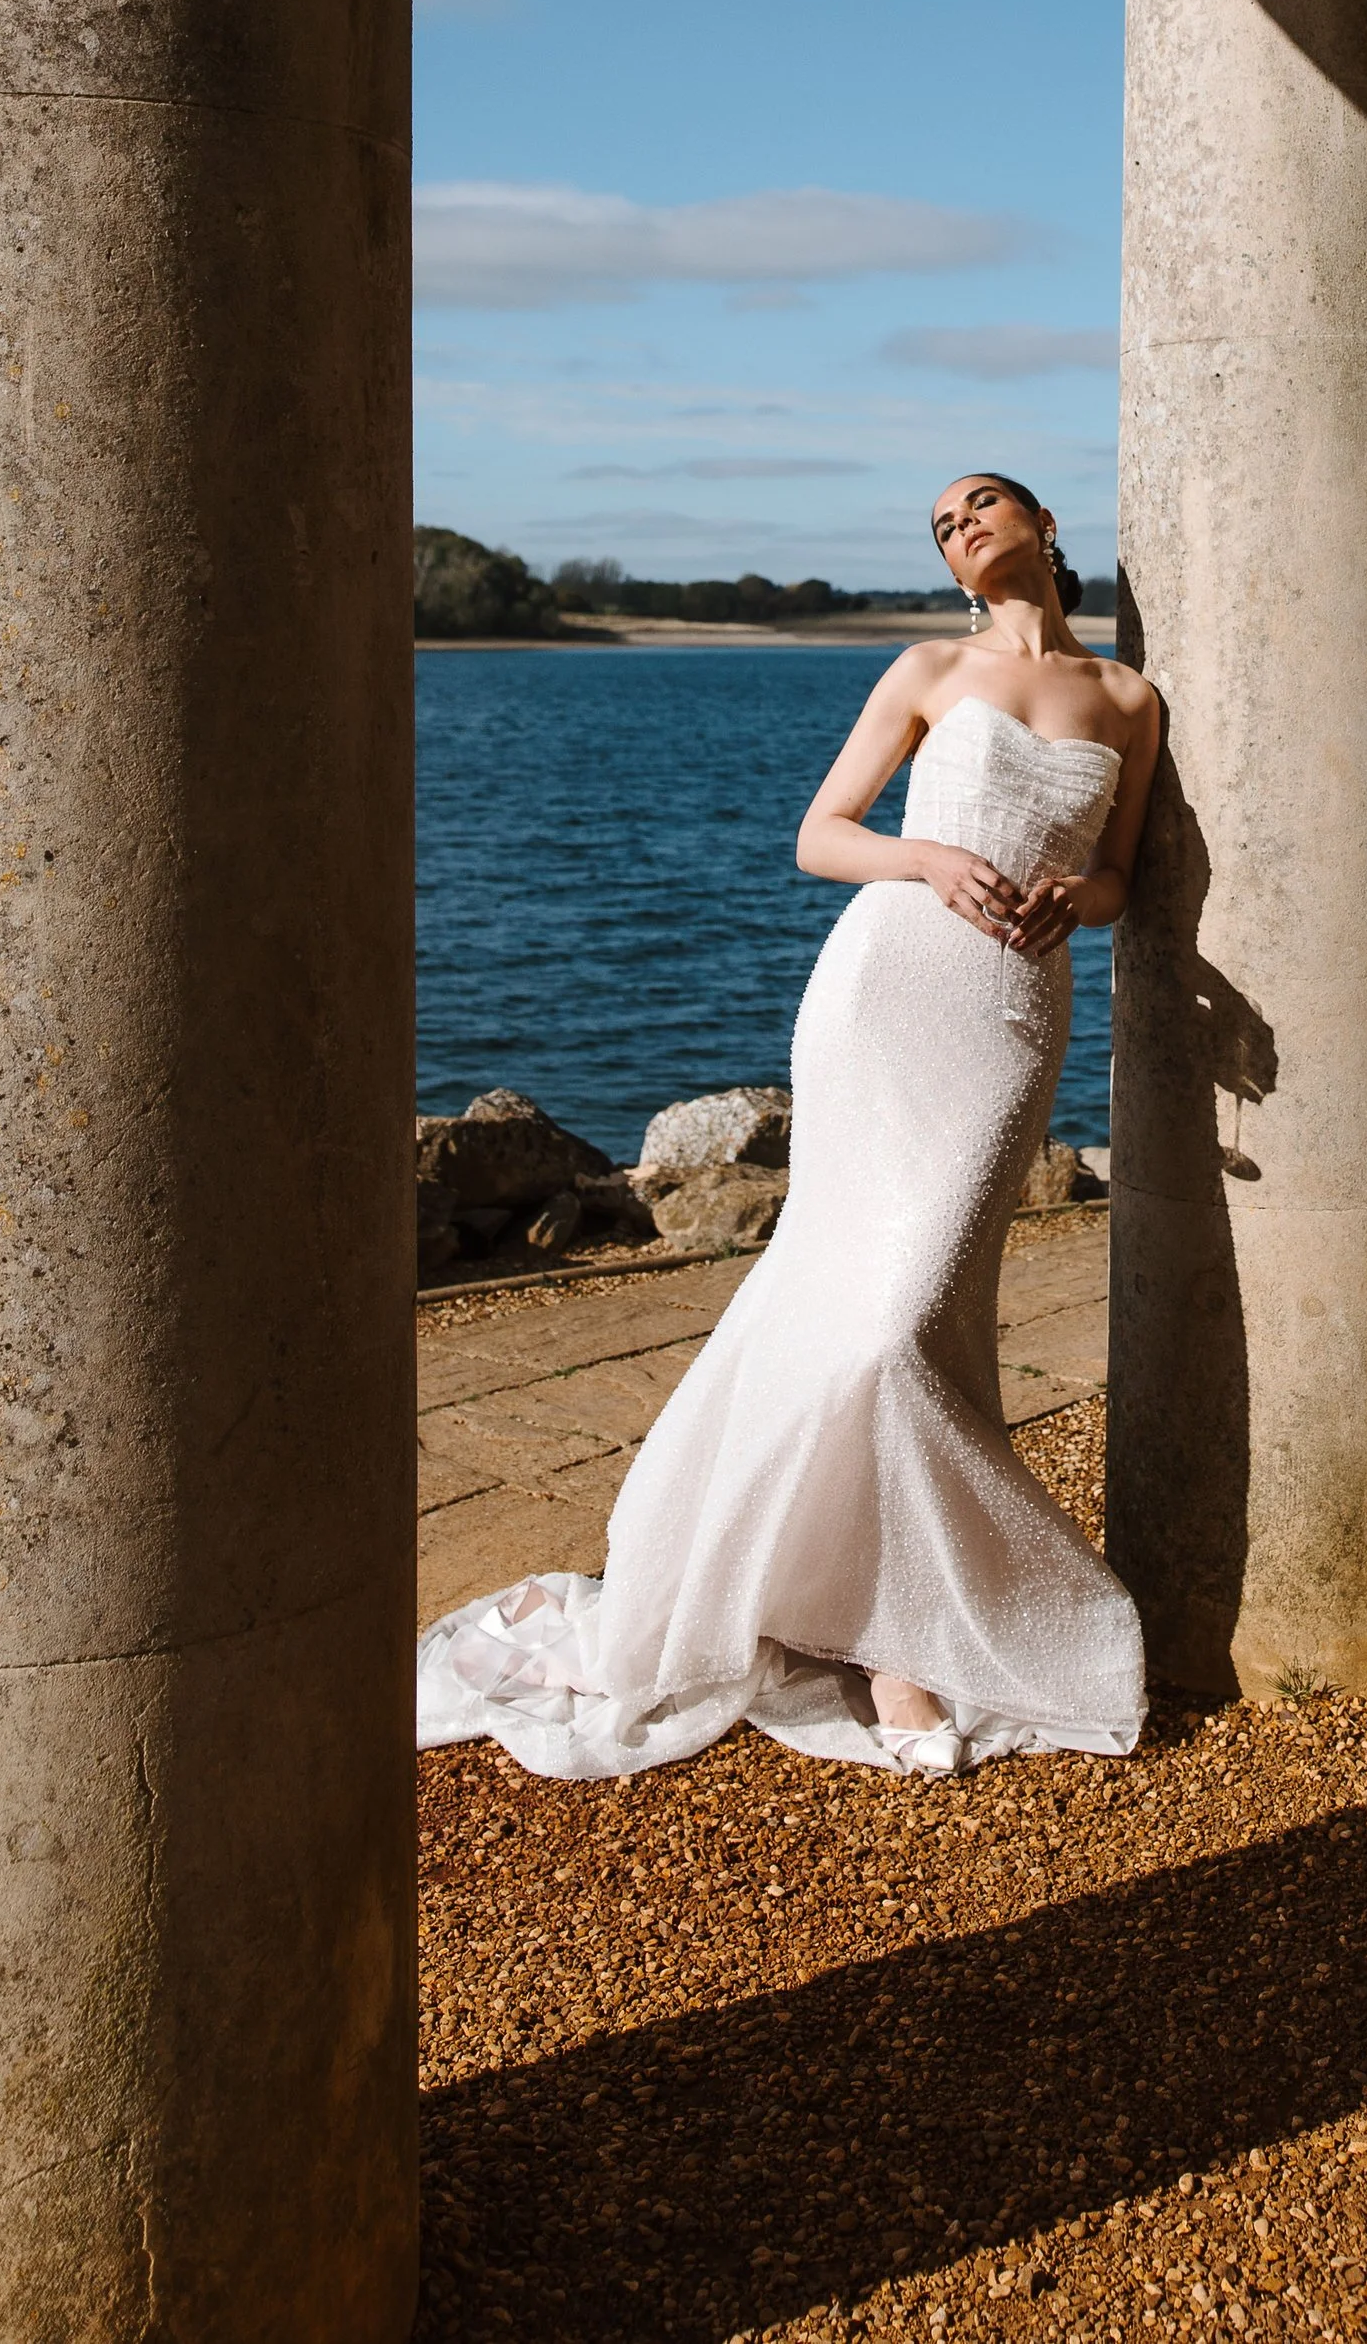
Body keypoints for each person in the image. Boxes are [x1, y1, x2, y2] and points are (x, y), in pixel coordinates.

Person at [415, 470, 1163, 1780]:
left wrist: (1072, 898)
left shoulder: (1129, 700)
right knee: (864, 1315)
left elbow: (1121, 874)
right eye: (941, 525)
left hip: (1006, 1015)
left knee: (923, 1311)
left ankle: (875, 1593)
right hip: (886, 989)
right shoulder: (931, 665)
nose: (960, 528)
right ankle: (894, 1644)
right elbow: (821, 833)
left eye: (981, 505)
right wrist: (928, 856)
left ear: (1044, 524)